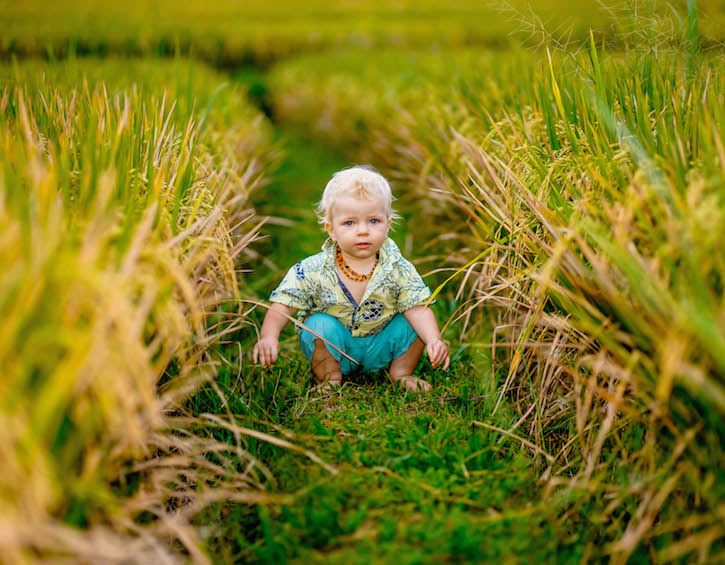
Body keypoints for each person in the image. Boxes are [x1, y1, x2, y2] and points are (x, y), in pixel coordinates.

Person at [252, 165, 449, 392]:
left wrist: (434, 339)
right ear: (331, 229)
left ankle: (401, 373)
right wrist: (269, 336)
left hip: (381, 343)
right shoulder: (314, 269)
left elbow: (417, 308)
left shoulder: (398, 268)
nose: (363, 231)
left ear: (388, 225)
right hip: (337, 345)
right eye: (350, 223)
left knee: (413, 318)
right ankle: (330, 378)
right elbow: (284, 303)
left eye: (373, 221)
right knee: (317, 325)